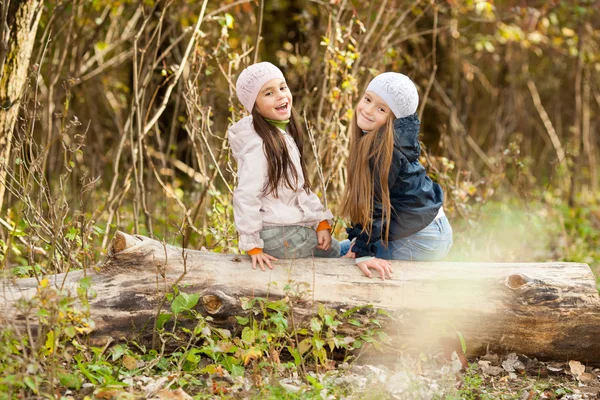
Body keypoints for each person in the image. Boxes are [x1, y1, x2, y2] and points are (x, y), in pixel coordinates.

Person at [339, 72, 453, 280]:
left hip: (422, 238)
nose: (368, 110)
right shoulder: (383, 139)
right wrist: (360, 244)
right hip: (430, 229)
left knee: (350, 264)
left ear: (393, 119)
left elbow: (376, 208)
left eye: (381, 109)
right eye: (368, 99)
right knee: (341, 250)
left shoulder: (384, 151)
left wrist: (363, 253)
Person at [229, 62, 340, 271]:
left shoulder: (280, 135)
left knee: (333, 246)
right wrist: (252, 245)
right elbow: (246, 195)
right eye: (269, 93)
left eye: (283, 87)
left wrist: (321, 221)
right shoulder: (260, 145)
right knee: (335, 251)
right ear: (255, 106)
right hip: (276, 234)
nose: (281, 96)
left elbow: (298, 188)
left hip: (282, 230)